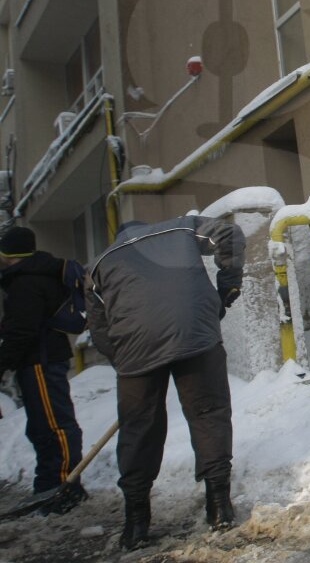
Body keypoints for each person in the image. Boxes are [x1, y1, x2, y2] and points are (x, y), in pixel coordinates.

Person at [88, 215, 245, 550]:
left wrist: (128, 365)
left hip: (134, 347)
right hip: (195, 333)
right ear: (148, 228)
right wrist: (228, 284)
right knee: (208, 413)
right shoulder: (180, 227)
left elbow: (100, 330)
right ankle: (220, 507)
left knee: (138, 428)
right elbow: (229, 233)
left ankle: (136, 524)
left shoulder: (100, 263)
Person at [0, 226, 86, 513]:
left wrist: (3, 362)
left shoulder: (26, 281)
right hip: (39, 360)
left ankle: (64, 488)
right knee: (42, 426)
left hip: (41, 360)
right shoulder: (31, 276)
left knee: (54, 426)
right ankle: (48, 486)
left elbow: (22, 330)